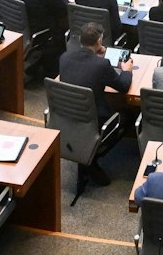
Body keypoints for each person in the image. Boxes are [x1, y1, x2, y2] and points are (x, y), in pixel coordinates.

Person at [56, 24, 132, 186]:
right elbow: (123, 86)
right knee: (128, 114)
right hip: (94, 119)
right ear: (99, 40)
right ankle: (92, 157)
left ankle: (87, 154)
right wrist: (127, 70)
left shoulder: (65, 57)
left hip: (67, 115)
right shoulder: (101, 65)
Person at [13, 0, 69, 81]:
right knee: (63, 29)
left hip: (19, 25)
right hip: (38, 30)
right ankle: (52, 71)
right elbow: (61, 10)